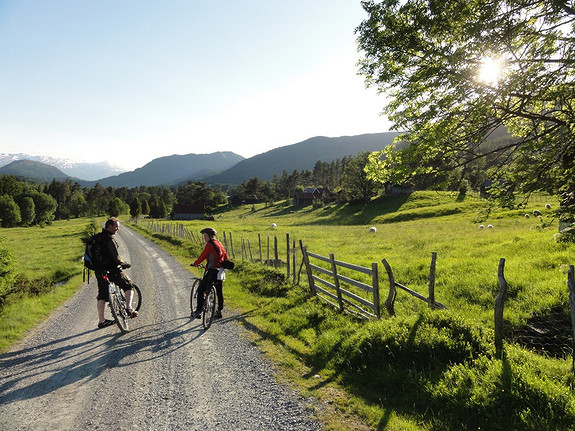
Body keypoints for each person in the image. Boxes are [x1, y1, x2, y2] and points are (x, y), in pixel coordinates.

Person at [94, 217, 138, 328]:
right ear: (109, 226)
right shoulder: (109, 239)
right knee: (128, 285)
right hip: (112, 270)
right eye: (116, 226)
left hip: (99, 271)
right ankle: (128, 308)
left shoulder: (96, 238)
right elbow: (116, 257)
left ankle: (101, 321)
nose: (117, 229)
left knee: (102, 295)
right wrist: (124, 264)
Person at [190, 227, 227, 319]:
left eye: (205, 236)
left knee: (201, 288)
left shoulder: (210, 245)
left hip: (212, 270)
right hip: (220, 271)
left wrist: (195, 263)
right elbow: (226, 256)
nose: (204, 238)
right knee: (219, 291)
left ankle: (198, 311)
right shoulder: (219, 243)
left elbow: (203, 256)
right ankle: (219, 311)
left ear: (210, 236)